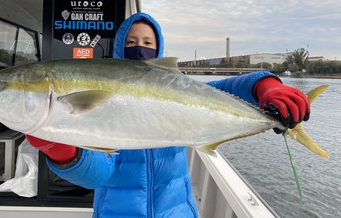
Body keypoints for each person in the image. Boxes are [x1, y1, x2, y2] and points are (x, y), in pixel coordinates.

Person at [27, 12, 310, 217]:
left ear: (159, 48)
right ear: (119, 46)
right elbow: (99, 175)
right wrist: (64, 153)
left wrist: (265, 85)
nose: (140, 47)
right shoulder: (103, 96)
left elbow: (226, 89)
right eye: (132, 41)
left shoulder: (178, 91)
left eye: (148, 42)